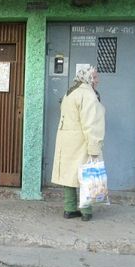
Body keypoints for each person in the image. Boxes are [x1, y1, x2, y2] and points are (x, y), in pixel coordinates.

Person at [51, 66, 105, 221]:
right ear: (87, 78)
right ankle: (86, 212)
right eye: (94, 77)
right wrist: (94, 147)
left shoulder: (70, 92)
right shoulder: (88, 95)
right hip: (82, 140)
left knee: (70, 174)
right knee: (87, 174)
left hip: (67, 141)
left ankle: (69, 209)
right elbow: (91, 123)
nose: (97, 80)